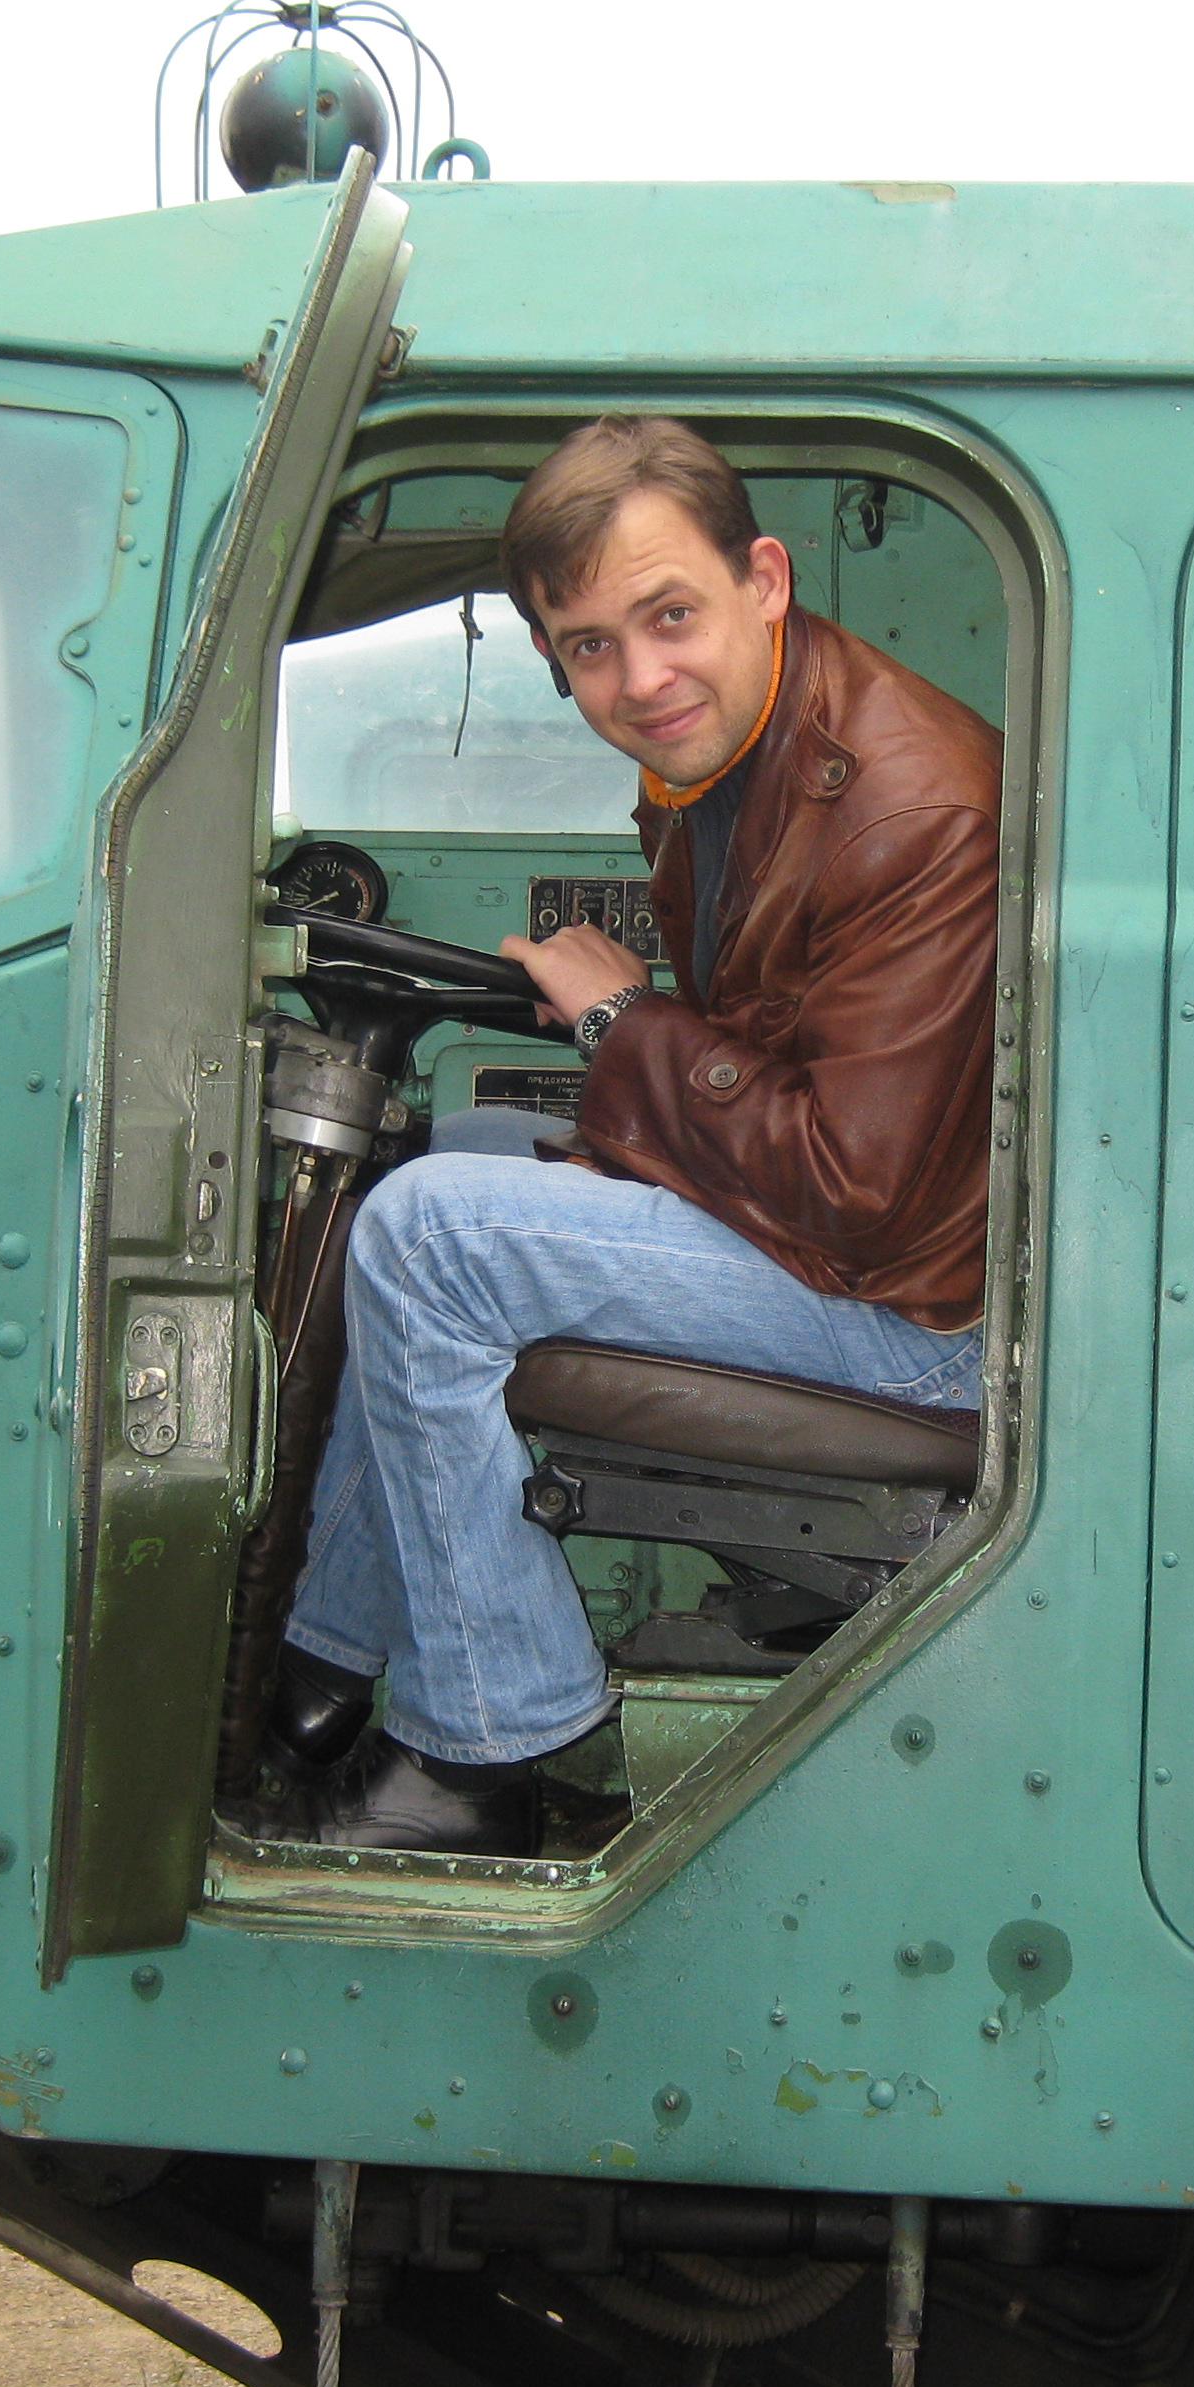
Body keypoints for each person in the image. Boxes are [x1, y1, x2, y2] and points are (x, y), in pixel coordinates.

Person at [242, 415, 1002, 1854]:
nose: (641, 681)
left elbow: (854, 1188)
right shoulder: (734, 751)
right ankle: (318, 1673)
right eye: (590, 646)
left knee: (424, 1236)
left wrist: (618, 1022)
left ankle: (485, 1751)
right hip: (862, 1243)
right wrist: (634, 1078)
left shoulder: (910, 809)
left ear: (763, 581)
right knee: (462, 1153)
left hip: (917, 1316)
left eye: (672, 618)